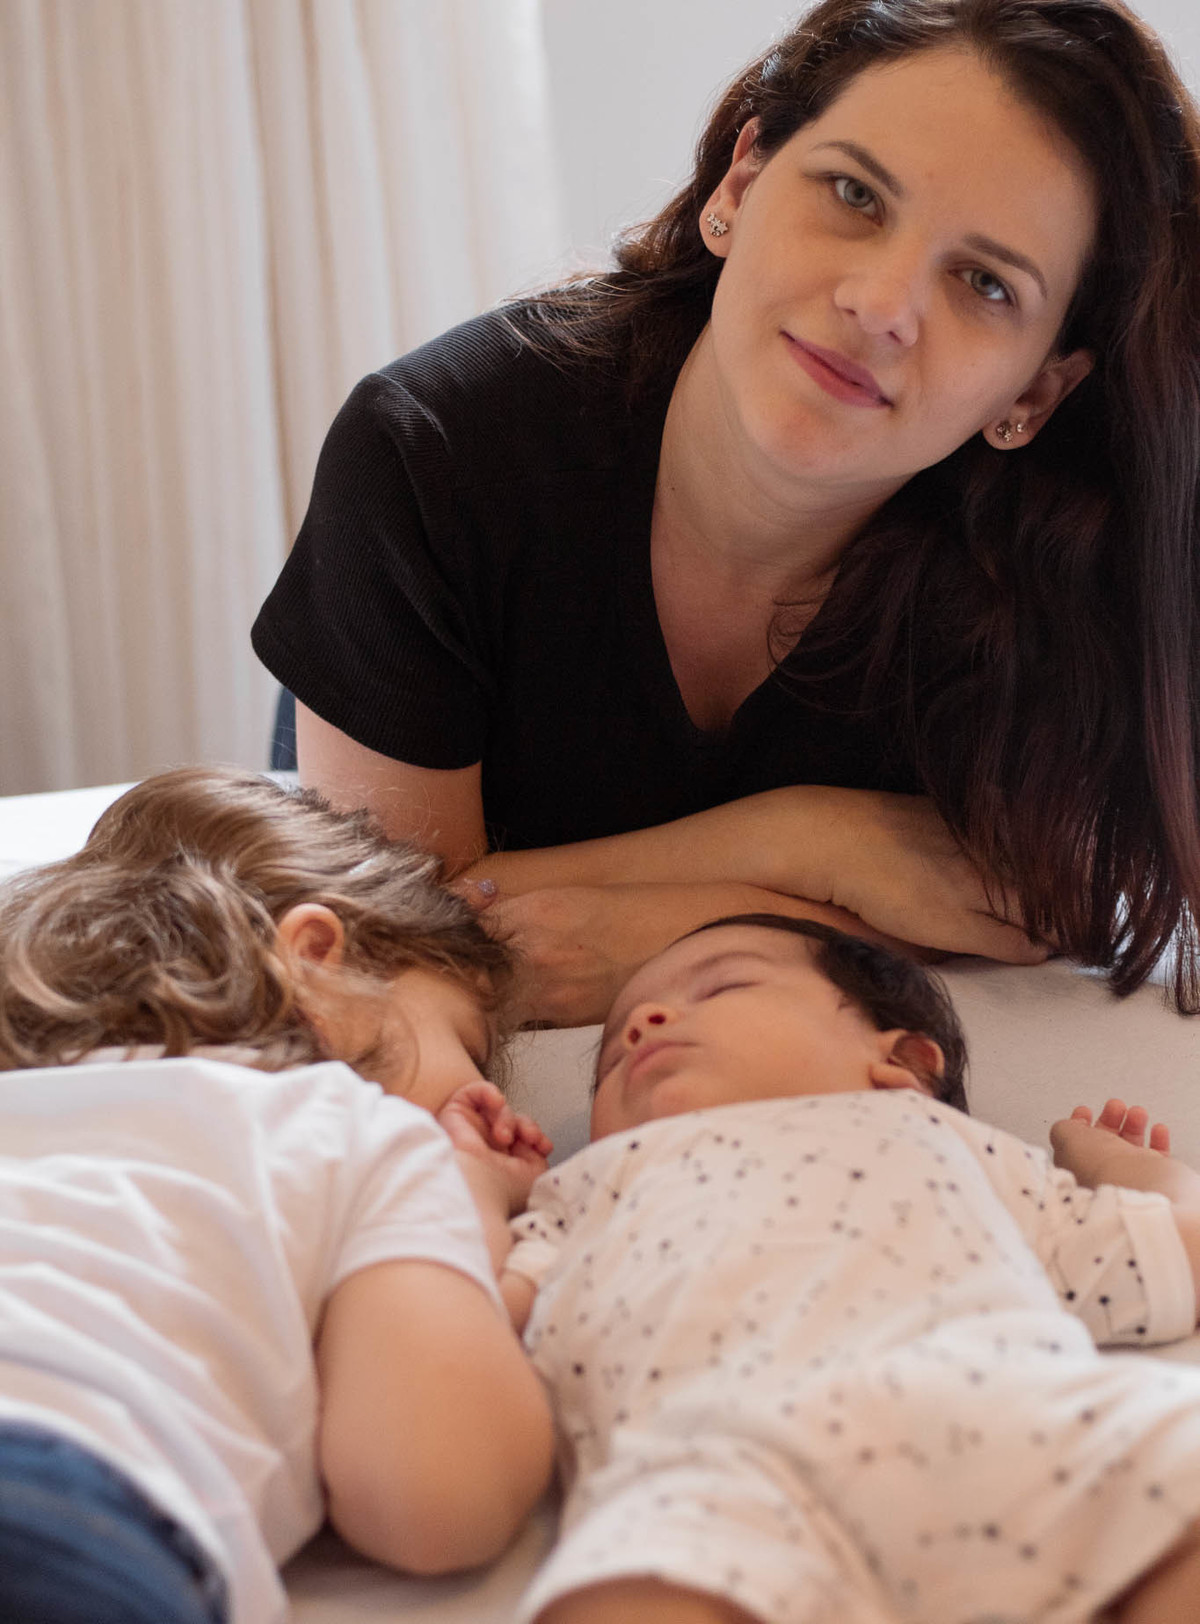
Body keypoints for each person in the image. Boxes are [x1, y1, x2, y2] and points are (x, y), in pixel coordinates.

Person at [252, 0, 1200, 1026]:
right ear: (739, 185)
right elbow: (376, 937)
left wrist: (644, 929)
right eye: (854, 193)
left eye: (984, 282)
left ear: (1034, 395)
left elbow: (1040, 905)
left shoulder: (1043, 554)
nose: (882, 304)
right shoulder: (432, 450)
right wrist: (806, 849)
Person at [464, 914, 1200, 1624]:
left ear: (902, 1064)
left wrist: (1113, 1163)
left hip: (1008, 1419)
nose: (639, 1027)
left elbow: (1177, 1250)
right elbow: (473, 1335)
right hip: (737, 1479)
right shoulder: (583, 1192)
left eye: (721, 987)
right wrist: (474, 1190)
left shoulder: (956, 1149)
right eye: (613, 1048)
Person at [0, 767, 554, 1624]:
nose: (480, 1098)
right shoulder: (353, 1131)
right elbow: (441, 1493)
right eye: (467, 1050)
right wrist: (467, 1203)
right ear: (316, 961)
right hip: (46, 1510)